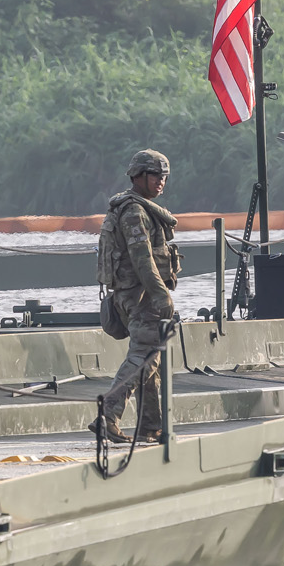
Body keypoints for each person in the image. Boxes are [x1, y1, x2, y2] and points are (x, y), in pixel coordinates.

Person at [94, 149, 182, 443]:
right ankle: (108, 415)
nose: (161, 182)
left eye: (164, 176)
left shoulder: (135, 208)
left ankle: (150, 425)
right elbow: (142, 258)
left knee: (150, 362)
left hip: (133, 295)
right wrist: (161, 296)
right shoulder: (134, 212)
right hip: (141, 297)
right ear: (139, 176)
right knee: (144, 356)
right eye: (157, 175)